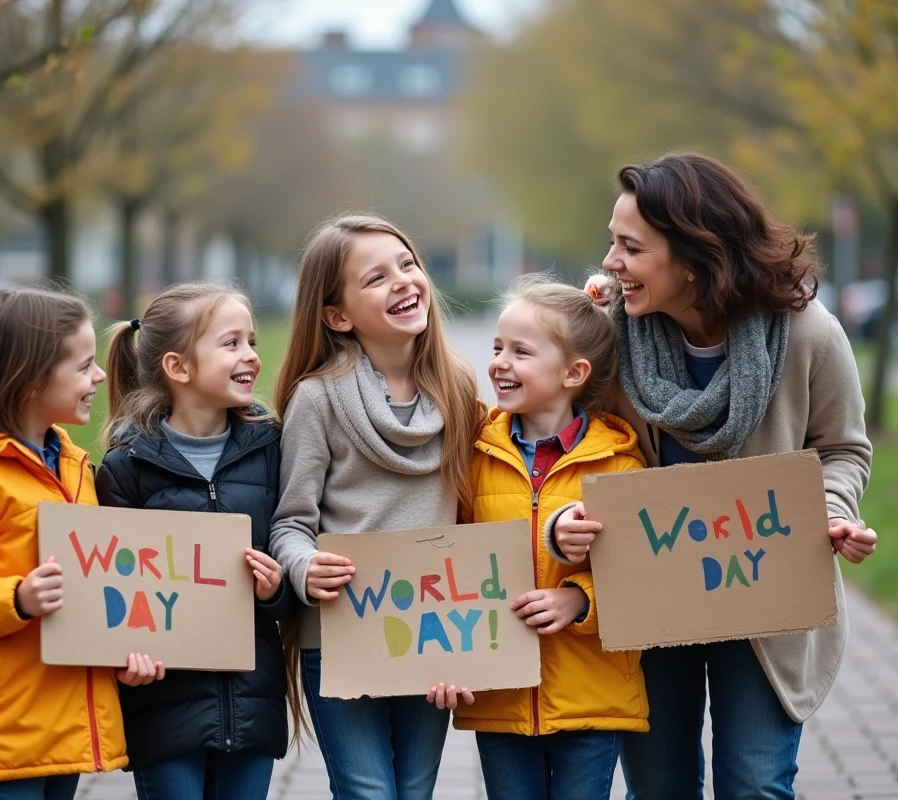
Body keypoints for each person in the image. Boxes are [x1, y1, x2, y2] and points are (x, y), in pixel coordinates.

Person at [552, 152, 878, 798]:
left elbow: (843, 448)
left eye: (630, 247)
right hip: (650, 599)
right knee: (660, 786)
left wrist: (833, 510)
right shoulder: (612, 340)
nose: (611, 262)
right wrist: (565, 523)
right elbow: (561, 446)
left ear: (696, 254)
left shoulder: (807, 334)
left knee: (755, 784)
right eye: (612, 244)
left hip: (765, 598)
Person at [0, 288, 159, 800]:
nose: (101, 376)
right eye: (84, 366)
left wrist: (119, 657)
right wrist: (16, 599)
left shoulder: (73, 468)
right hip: (5, 731)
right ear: (30, 381)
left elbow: (88, 590)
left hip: (67, 724)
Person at [269, 214, 483, 799]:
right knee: (367, 793)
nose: (403, 281)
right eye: (375, 278)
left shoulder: (459, 391)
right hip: (340, 637)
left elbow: (477, 516)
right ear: (338, 315)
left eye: (408, 265)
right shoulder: (317, 401)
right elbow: (290, 523)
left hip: (434, 633)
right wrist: (305, 567)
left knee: (414, 791)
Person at [95, 282, 302, 800]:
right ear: (178, 367)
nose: (251, 356)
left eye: (251, 341)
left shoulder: (272, 450)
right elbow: (111, 593)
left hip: (253, 704)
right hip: (164, 711)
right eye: (231, 343)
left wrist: (275, 590)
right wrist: (126, 658)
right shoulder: (127, 469)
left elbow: (293, 553)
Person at [453, 275, 649, 800]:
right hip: (500, 699)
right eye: (497, 348)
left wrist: (578, 600)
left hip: (592, 697)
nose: (500, 362)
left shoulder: (619, 464)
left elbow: (646, 581)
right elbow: (450, 567)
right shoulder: (474, 455)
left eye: (521, 351)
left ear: (574, 373)